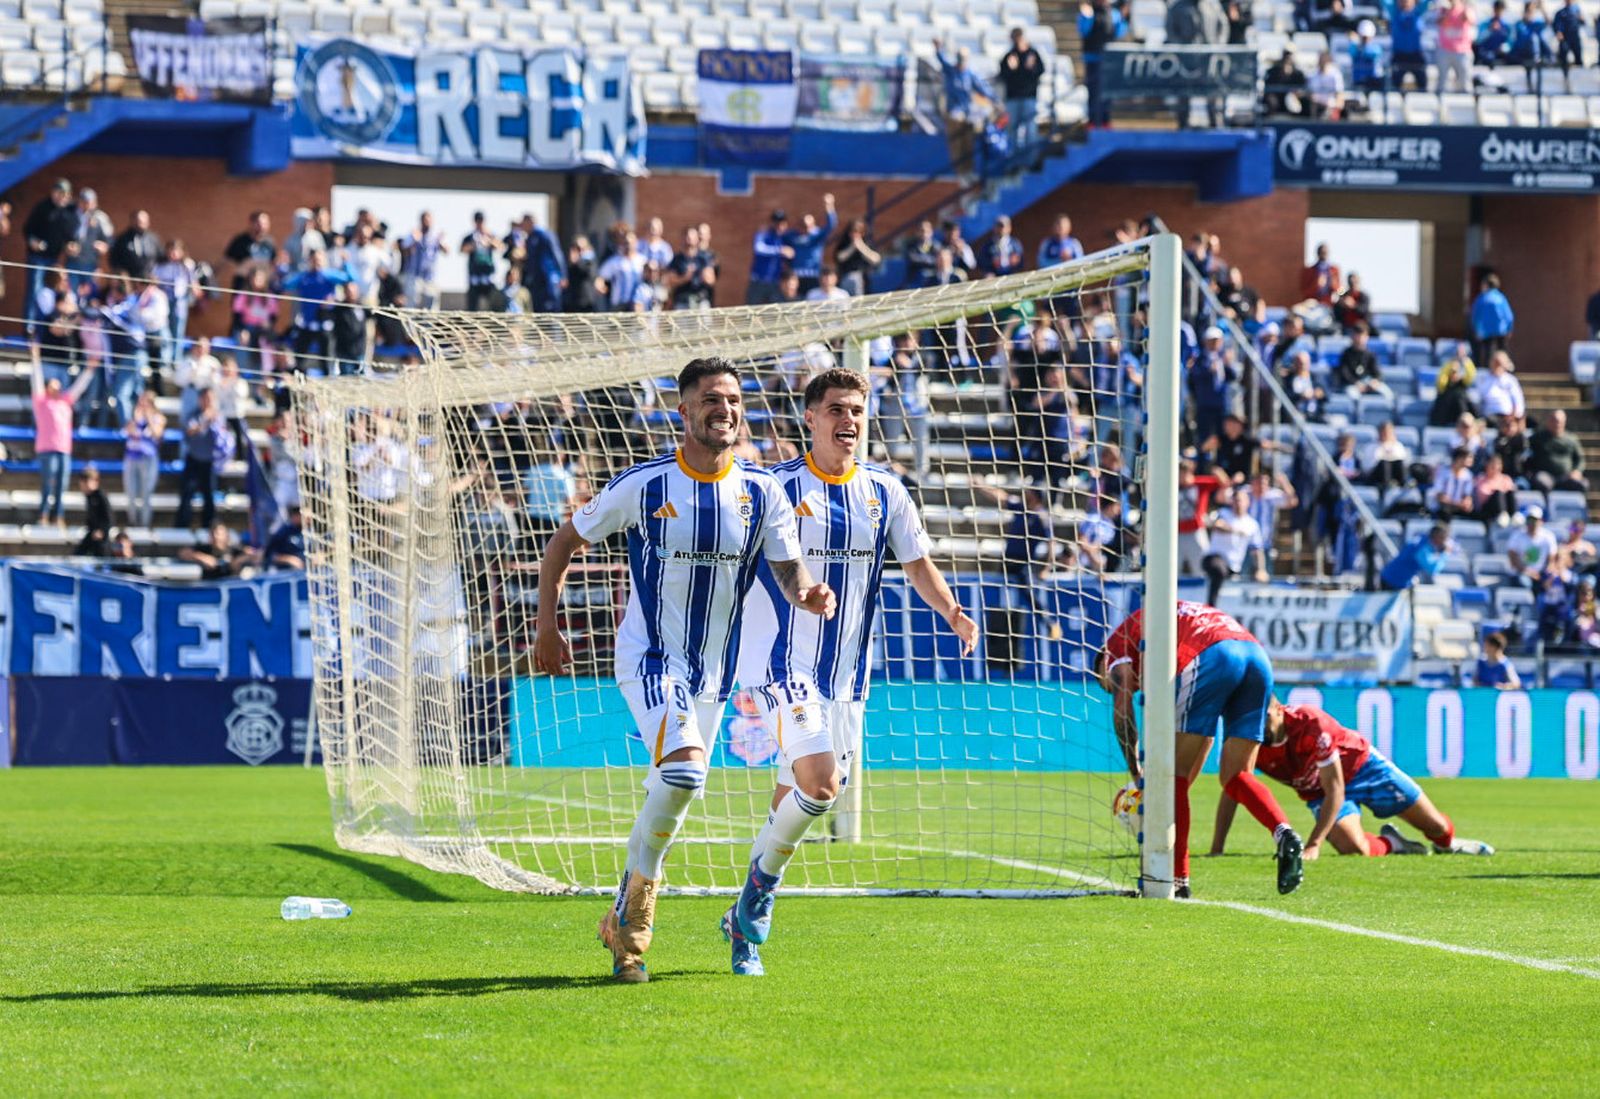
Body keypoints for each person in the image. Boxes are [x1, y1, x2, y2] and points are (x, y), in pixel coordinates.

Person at [532, 357, 836, 984]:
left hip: (712, 676)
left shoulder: (761, 491)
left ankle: (622, 915)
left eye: (732, 399)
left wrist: (807, 591)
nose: (723, 409)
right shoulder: (644, 486)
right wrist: (547, 623)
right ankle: (635, 923)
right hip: (649, 659)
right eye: (709, 400)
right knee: (687, 771)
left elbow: (787, 565)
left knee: (676, 785)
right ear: (684, 410)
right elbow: (563, 542)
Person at [727, 369, 979, 977]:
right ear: (809, 418)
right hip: (784, 665)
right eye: (837, 409)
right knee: (819, 786)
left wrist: (952, 612)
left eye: (858, 411)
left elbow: (917, 563)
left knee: (798, 800)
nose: (850, 420)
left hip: (848, 678)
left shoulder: (884, 491)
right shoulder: (773, 487)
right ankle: (753, 914)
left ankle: (743, 920)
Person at [1096, 601, 1305, 898]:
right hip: (1255, 654)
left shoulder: (1116, 648)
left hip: (1211, 655)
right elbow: (1203, 737)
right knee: (1236, 776)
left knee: (1171, 775)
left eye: (1104, 683)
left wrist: (1139, 775)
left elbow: (1122, 710)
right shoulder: (1164, 619)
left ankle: (1178, 881)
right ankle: (1284, 833)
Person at [1212, 698, 1494, 858]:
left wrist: (1313, 844)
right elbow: (1236, 788)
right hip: (1320, 793)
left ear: (1278, 709)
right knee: (1353, 848)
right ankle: (1394, 844)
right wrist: (1217, 849)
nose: (1256, 728)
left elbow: (1336, 787)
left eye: (1261, 719)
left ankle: (1448, 845)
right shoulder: (1250, 743)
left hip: (1365, 769)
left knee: (1435, 825)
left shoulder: (1310, 724)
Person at [30, 336, 97, 528]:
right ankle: (43, 514)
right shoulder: (41, 402)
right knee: (47, 484)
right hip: (46, 448)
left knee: (62, 485)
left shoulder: (65, 401)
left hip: (63, 449)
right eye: (52, 384)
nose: (56, 386)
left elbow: (80, 386)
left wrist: (90, 370)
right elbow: (36, 379)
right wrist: (35, 357)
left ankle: (58, 515)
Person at [932, 37, 997, 174]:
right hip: (953, 114)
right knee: (956, 144)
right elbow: (942, 60)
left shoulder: (970, 75)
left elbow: (983, 89)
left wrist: (995, 100)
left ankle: (968, 171)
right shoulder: (951, 71)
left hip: (967, 115)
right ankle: (959, 171)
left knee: (968, 144)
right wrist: (938, 48)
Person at [23, 180, 79, 318]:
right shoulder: (42, 207)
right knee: (35, 291)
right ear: (53, 193)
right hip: (38, 257)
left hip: (56, 259)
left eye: (65, 194)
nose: (62, 197)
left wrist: (72, 244)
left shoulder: (70, 211)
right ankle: (31, 327)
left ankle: (48, 326)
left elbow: (72, 235)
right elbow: (27, 229)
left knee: (55, 291)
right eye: (59, 193)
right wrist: (33, 241)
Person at [174, 387, 228, 530]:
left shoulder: (219, 417)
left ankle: (209, 526)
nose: (208, 402)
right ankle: (182, 526)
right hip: (193, 459)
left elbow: (223, 439)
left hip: (209, 462)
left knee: (209, 495)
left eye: (210, 399)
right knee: (187, 493)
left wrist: (214, 422)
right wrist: (205, 420)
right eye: (205, 398)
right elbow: (190, 431)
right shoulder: (194, 415)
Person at [1203, 485, 1263, 604]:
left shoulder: (1252, 524)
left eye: (1240, 500)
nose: (1238, 503)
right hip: (1215, 558)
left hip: (1234, 565)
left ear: (1248, 502)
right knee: (1218, 570)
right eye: (1235, 500)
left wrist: (1260, 569)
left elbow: (1256, 549)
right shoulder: (1223, 513)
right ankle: (1211, 604)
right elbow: (1217, 525)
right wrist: (1236, 531)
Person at [122, 389, 165, 530]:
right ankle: (133, 521)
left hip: (148, 459)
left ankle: (144, 524)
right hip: (131, 457)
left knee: (146, 494)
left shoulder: (159, 418)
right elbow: (127, 432)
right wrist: (136, 419)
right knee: (131, 492)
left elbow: (157, 434)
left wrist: (148, 417)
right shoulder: (135, 417)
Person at [998, 27, 1045, 151]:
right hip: (1013, 98)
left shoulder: (1032, 54)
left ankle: (1030, 161)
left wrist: (1031, 68)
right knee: (1011, 131)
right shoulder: (1009, 56)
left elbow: (1040, 71)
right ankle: (1012, 161)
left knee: (1030, 131)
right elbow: (1003, 75)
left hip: (1029, 97)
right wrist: (1010, 69)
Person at [1079, 0, 1124, 126]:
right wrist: (1087, 18)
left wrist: (1124, 18)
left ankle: (1105, 122)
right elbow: (1084, 31)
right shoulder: (1088, 11)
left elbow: (1119, 32)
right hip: (1093, 60)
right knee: (1093, 93)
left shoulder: (1114, 13)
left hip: (1109, 61)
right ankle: (1093, 123)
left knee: (1107, 95)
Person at [781, 194, 837, 296]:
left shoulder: (817, 236)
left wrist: (829, 206)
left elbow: (831, 226)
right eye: (803, 226)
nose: (806, 229)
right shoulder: (791, 236)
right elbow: (779, 238)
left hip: (813, 276)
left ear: (813, 225)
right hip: (797, 277)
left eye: (808, 226)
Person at [396, 211, 449, 311]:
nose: (426, 223)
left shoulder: (436, 236)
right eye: (424, 221)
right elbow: (404, 251)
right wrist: (414, 240)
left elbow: (447, 251)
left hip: (430, 277)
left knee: (431, 306)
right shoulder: (413, 234)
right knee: (411, 306)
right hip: (414, 276)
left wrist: (440, 241)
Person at [1377, 523, 1452, 590]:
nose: (1444, 542)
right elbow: (1433, 569)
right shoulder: (1421, 548)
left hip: (1395, 579)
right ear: (1437, 537)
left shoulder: (1421, 541)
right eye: (1444, 538)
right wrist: (1445, 554)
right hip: (1392, 582)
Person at [1529, 409, 1587, 493]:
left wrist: (1577, 471)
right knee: (1541, 481)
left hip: (1566, 477)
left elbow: (1580, 459)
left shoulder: (1571, 439)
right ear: (1548, 421)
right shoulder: (1538, 437)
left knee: (1583, 484)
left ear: (1564, 422)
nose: (1557, 424)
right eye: (1554, 420)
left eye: (1559, 421)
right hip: (1546, 475)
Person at [665, 224, 719, 310]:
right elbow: (669, 280)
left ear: (697, 238)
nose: (689, 239)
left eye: (692, 236)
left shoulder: (704, 257)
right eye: (687, 236)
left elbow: (711, 280)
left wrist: (704, 275)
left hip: (701, 301)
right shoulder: (677, 259)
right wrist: (685, 278)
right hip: (682, 301)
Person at [747, 210, 792, 305]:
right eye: (777, 223)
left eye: (782, 223)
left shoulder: (785, 237)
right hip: (758, 281)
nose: (779, 226)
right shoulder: (763, 234)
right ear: (772, 223)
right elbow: (759, 248)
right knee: (752, 312)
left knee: (776, 312)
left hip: (775, 283)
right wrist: (780, 250)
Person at [180, 521, 253, 580]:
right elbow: (183, 553)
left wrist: (238, 561)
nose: (215, 537)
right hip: (209, 588)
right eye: (213, 534)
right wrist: (202, 557)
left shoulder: (234, 550)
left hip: (230, 588)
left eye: (218, 534)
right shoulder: (205, 549)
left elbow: (253, 555)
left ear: (226, 536)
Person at [1334, 325, 1390, 399]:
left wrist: (1374, 382)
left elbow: (1378, 373)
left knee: (1386, 393)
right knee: (1353, 395)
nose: (1360, 339)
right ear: (1352, 336)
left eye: (1362, 336)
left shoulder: (1370, 354)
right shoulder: (1346, 354)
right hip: (1352, 384)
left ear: (1367, 337)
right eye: (1357, 336)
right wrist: (1356, 383)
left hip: (1368, 383)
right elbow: (1344, 373)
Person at [1507, 504, 1559, 585]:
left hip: (1541, 573)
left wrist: (1547, 574)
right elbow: (1513, 559)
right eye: (1529, 519)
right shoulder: (1517, 536)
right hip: (1521, 573)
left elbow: (1551, 560)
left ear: (1541, 521)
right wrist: (1528, 572)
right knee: (1524, 583)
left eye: (1535, 520)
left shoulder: (1548, 536)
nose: (1532, 523)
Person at [594, 231, 646, 312]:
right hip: (619, 304)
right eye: (626, 243)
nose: (628, 245)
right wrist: (600, 285)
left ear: (636, 243)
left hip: (637, 304)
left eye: (630, 243)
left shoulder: (642, 260)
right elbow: (601, 276)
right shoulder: (615, 261)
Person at [1471, 272, 1514, 366]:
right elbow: (1509, 315)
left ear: (1485, 285)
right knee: (1503, 351)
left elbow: (1475, 316)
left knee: (1487, 354)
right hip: (1501, 330)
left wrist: (1477, 330)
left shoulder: (1481, 299)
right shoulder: (1501, 298)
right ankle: (1505, 369)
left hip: (1486, 331)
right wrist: (1509, 329)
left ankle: (1488, 371)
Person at [461, 212, 501, 312]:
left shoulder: (490, 235)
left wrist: (488, 241)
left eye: (481, 221)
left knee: (494, 305)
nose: (480, 223)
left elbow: (500, 246)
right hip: (475, 278)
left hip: (489, 277)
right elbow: (462, 250)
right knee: (472, 307)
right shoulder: (470, 237)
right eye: (478, 221)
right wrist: (474, 244)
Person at [1430, 341, 1477, 426]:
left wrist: (1465, 360)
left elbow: (1470, 377)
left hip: (1460, 408)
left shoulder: (1463, 382)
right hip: (1446, 407)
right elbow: (1440, 384)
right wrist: (1450, 367)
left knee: (1461, 398)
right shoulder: (1447, 369)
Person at [1436, 0, 1478, 91]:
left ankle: (1466, 100)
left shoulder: (1466, 9)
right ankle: (1441, 102)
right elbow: (1439, 22)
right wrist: (1447, 11)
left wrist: (1464, 9)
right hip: (1445, 49)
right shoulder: (1443, 10)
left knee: (1465, 79)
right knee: (1443, 80)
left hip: (1463, 51)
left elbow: (1471, 21)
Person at [832, 219, 880, 296]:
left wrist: (861, 247)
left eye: (858, 232)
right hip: (845, 277)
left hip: (863, 280)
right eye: (853, 232)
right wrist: (852, 247)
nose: (855, 235)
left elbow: (876, 259)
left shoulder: (868, 243)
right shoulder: (844, 243)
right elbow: (839, 258)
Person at [72, 465, 113, 556]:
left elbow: (109, 517)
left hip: (100, 535)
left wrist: (102, 531)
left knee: (101, 553)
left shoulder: (100, 496)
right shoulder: (89, 497)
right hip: (92, 532)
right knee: (78, 553)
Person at [1473, 350, 1524, 420]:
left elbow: (1518, 400)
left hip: (1507, 415)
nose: (1497, 366)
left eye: (1499, 363)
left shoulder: (1511, 380)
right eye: (1495, 363)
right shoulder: (1481, 377)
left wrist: (1516, 415)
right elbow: (1475, 396)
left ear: (1505, 364)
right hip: (1489, 415)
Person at [1473, 452, 1518, 527]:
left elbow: (1510, 492)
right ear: (1487, 465)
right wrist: (1499, 491)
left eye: (1498, 464)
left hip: (1506, 507)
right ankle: (1502, 514)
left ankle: (1514, 515)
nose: (1495, 467)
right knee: (1498, 493)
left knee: (1510, 492)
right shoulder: (1480, 478)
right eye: (1493, 465)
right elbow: (1483, 495)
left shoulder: (1506, 478)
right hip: (1488, 510)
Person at [261, 504, 306, 570]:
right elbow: (271, 556)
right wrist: (291, 559)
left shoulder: (310, 531)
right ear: (294, 516)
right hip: (288, 571)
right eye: (301, 515)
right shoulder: (283, 532)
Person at [1263, 50, 1309, 115]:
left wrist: (1295, 95)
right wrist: (1270, 96)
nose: (1288, 58)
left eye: (1290, 55)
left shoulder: (1299, 74)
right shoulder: (1272, 72)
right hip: (1277, 104)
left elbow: (1303, 90)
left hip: (1294, 105)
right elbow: (1267, 88)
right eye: (1286, 55)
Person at [1348, 19, 1386, 91]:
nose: (1365, 39)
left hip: (1373, 81)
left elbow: (1370, 53)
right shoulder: (1354, 46)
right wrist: (1354, 43)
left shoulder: (1376, 48)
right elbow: (1352, 52)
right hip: (1358, 81)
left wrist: (1359, 46)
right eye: (1363, 37)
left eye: (1367, 37)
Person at [1306, 51, 1346, 118]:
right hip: (1316, 106)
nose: (1322, 63)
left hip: (1332, 106)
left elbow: (1340, 95)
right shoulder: (1313, 75)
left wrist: (1335, 106)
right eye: (1321, 61)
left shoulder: (1336, 75)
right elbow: (1310, 94)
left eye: (1325, 61)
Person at [1553, 0, 1583, 72]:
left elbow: (1582, 23)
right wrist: (1558, 32)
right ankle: (1564, 73)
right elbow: (1556, 25)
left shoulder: (1577, 11)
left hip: (1575, 37)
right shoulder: (1560, 12)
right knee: (1563, 55)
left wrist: (1581, 18)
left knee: (1578, 56)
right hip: (1565, 38)